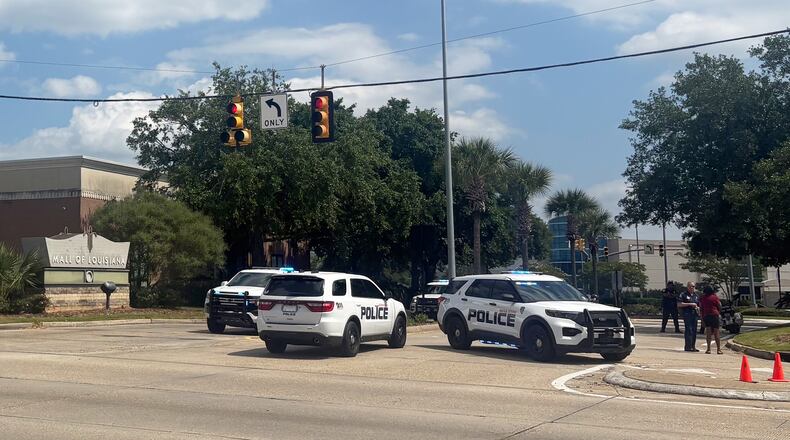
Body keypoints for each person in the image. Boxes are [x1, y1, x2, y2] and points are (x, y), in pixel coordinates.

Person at [700, 286, 723, 354]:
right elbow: (720, 305)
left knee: (708, 333)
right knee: (716, 333)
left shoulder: (703, 298)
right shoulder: (715, 297)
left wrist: (702, 318)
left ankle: (708, 349)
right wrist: (718, 311)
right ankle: (718, 349)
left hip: (706, 316)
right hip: (714, 315)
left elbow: (701, 308)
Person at [678, 282, 700, 352]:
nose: (692, 288)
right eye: (690, 286)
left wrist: (698, 308)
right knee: (689, 330)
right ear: (687, 287)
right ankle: (688, 346)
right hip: (687, 314)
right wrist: (690, 304)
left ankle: (693, 346)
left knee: (694, 330)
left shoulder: (696, 295)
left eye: (693, 286)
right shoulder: (683, 294)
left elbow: (698, 304)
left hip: (695, 314)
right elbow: (679, 304)